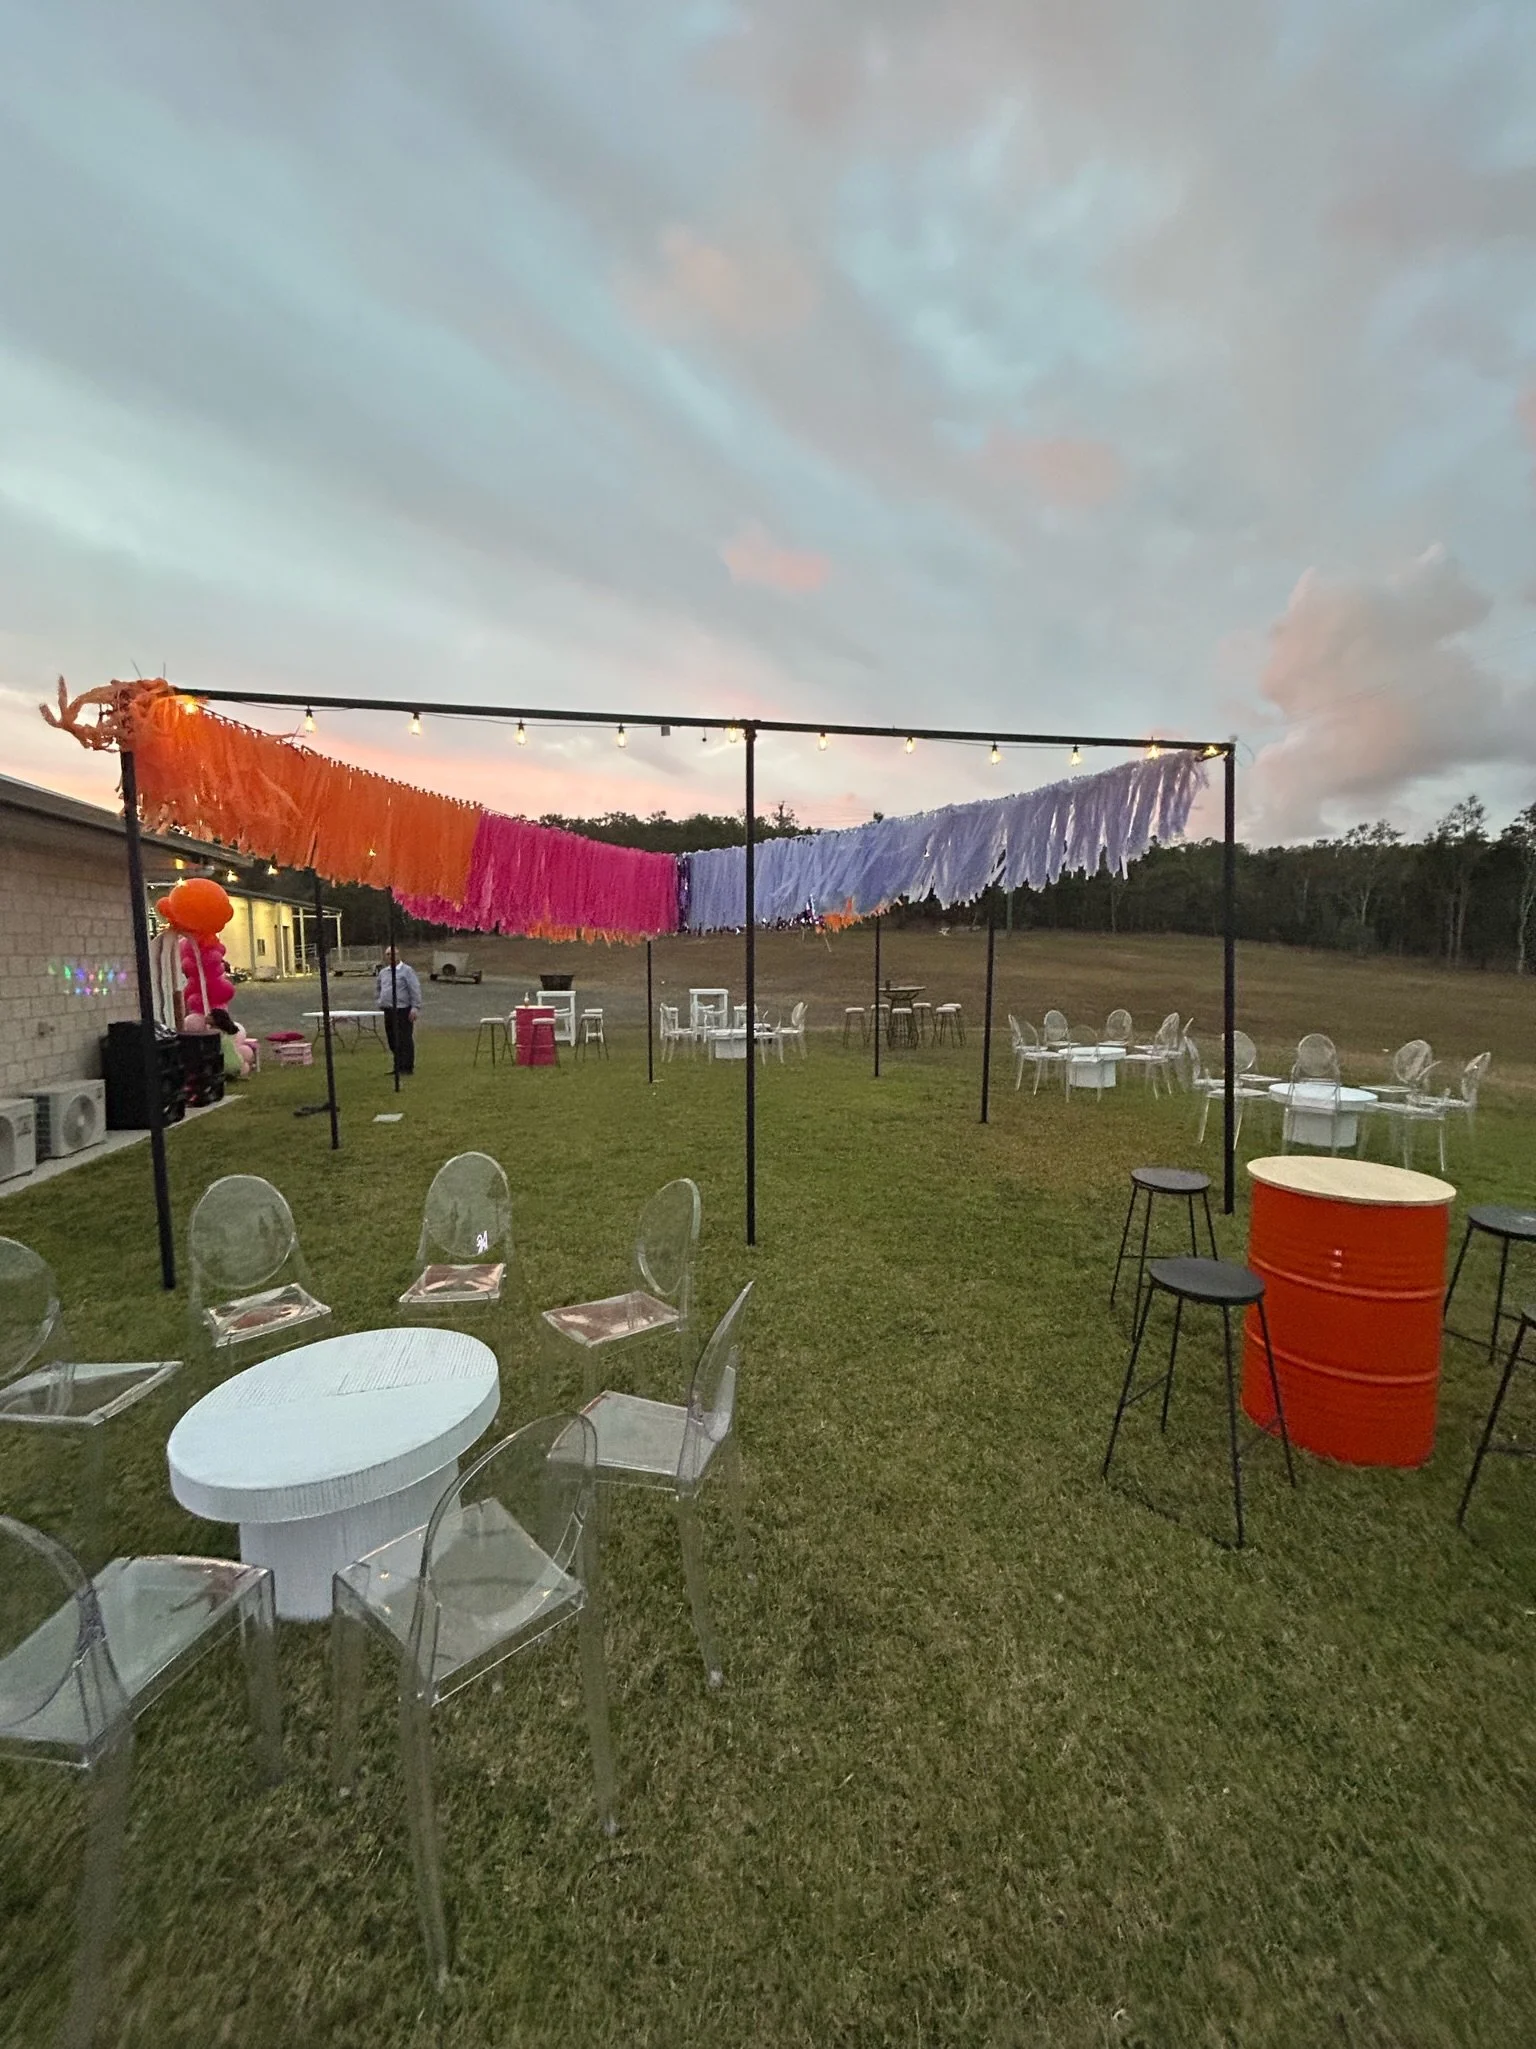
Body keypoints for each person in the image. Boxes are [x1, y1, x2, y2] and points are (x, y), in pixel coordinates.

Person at [375, 946, 422, 1075]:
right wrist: (380, 1001)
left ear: (399, 955)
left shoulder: (407, 971)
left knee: (404, 1038)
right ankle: (397, 1065)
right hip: (388, 1010)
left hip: (403, 1009)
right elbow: (379, 987)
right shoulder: (383, 972)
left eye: (393, 954)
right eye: (388, 954)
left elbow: (414, 989)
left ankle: (407, 1067)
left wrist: (415, 1007)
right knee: (392, 1038)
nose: (391, 957)